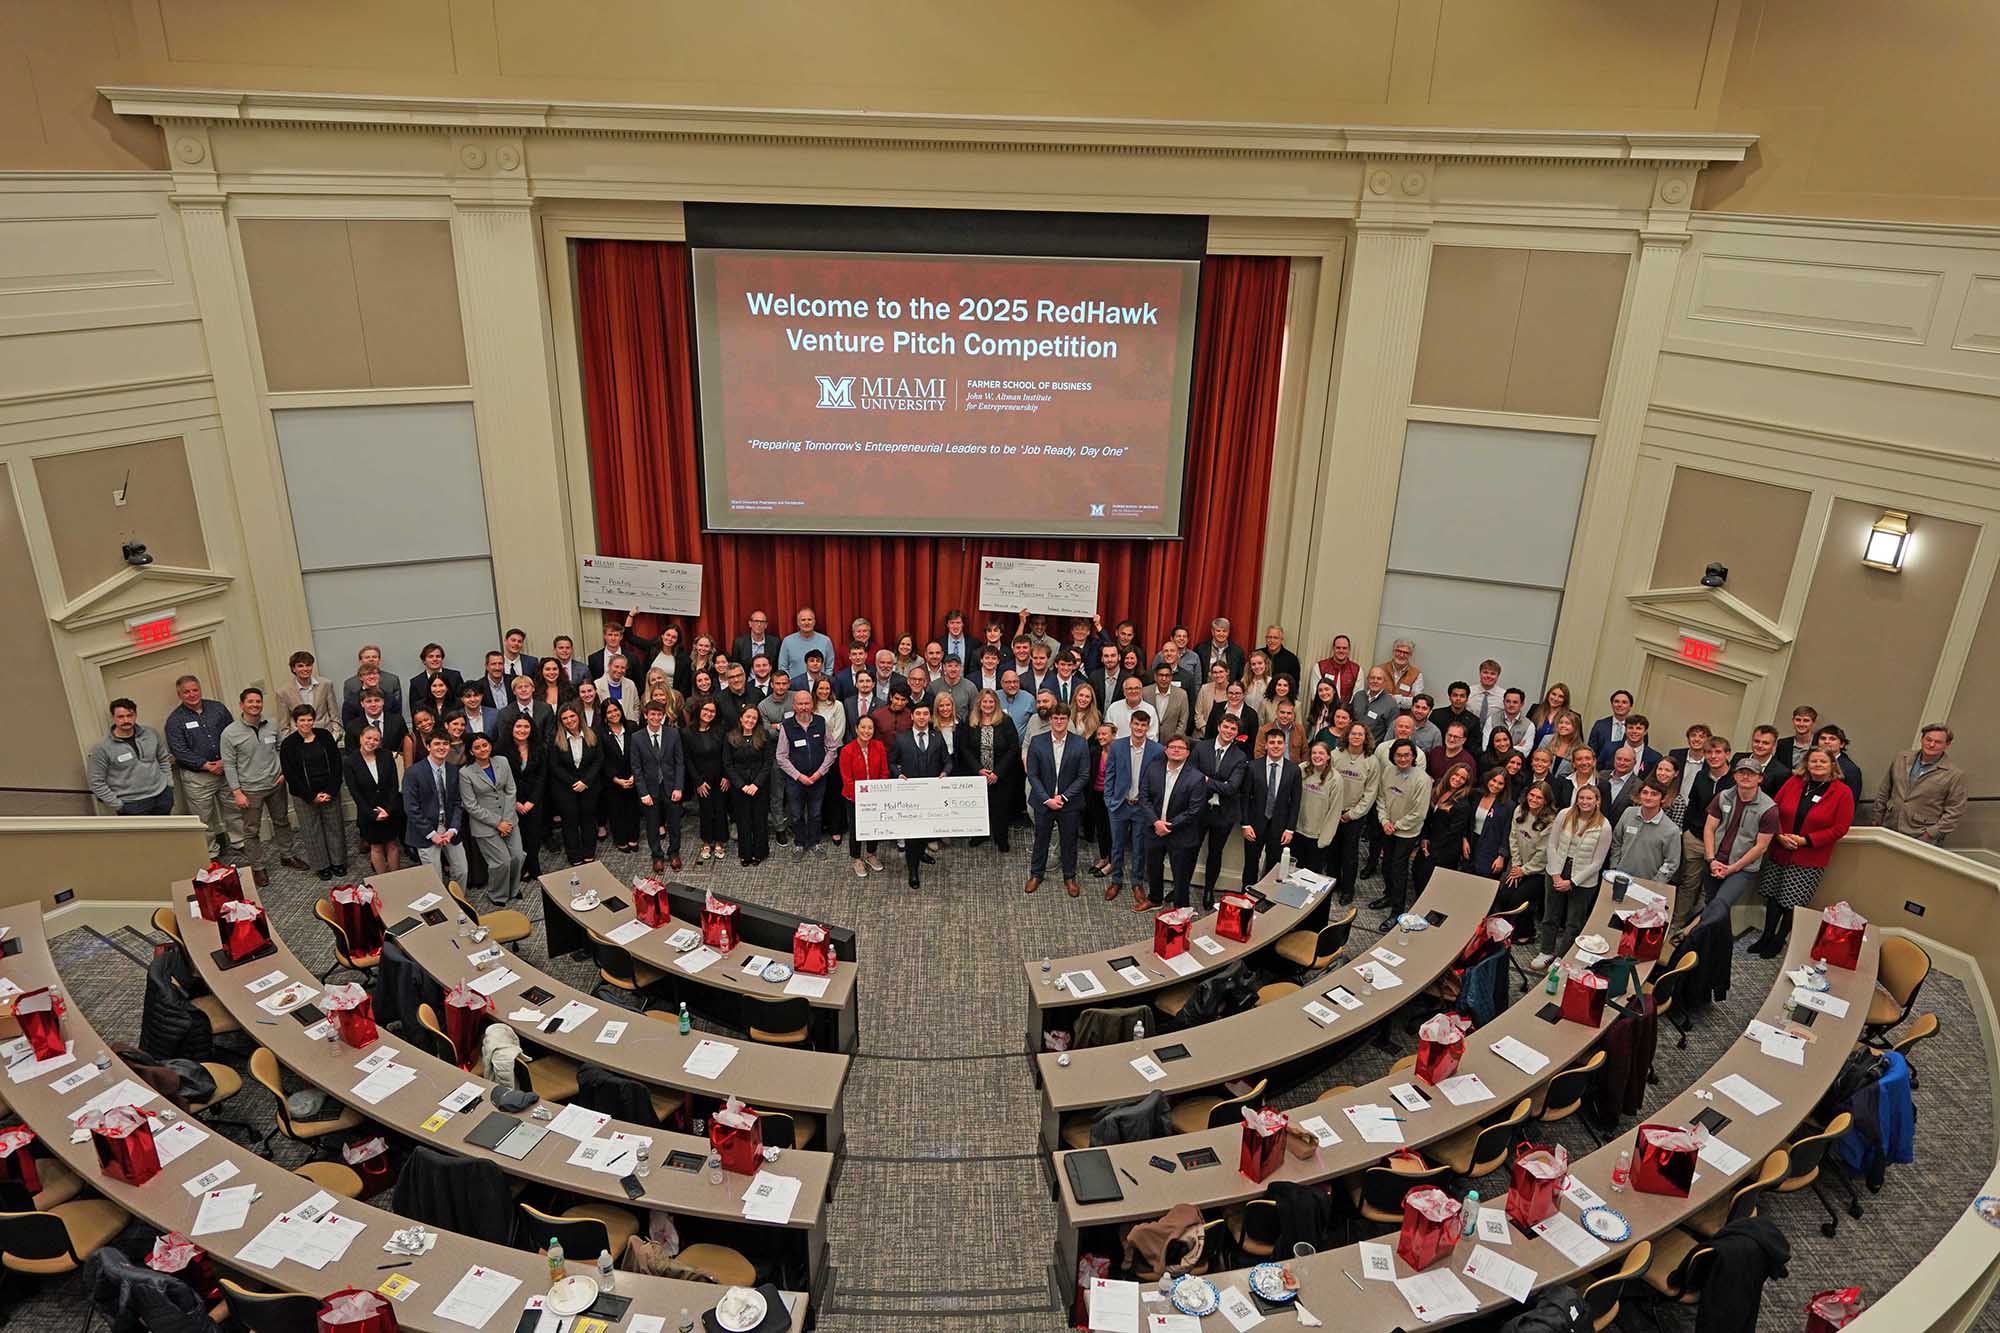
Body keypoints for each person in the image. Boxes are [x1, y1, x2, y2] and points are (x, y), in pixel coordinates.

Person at [1751, 747, 1856, 957]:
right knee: (1772, 896)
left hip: (1809, 857)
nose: (1817, 765)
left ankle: (1779, 940)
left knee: (1791, 901)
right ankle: (1767, 936)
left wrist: (1806, 840)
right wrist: (1779, 835)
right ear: (1806, 763)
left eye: (1822, 762)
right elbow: (1773, 809)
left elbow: (1840, 828)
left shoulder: (1842, 792)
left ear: (1832, 766)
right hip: (1781, 848)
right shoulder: (1794, 782)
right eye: (1813, 761)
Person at [220, 686, 300, 880]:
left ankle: (287, 855)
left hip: (275, 783)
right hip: (249, 789)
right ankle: (257, 866)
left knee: (282, 821)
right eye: (250, 702)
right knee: (251, 831)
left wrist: (283, 772)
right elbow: (229, 765)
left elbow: (282, 749)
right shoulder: (230, 733)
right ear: (242, 705)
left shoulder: (271, 724)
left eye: (258, 701)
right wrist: (237, 792)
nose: (255, 705)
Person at [1695, 758, 1780, 932]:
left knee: (1720, 903)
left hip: (1741, 868)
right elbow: (1709, 828)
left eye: (1751, 773)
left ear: (1760, 778)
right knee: (1712, 903)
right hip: (1715, 860)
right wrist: (1711, 859)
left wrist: (1732, 868)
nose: (1746, 776)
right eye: (1742, 772)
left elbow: (1761, 847)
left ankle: (1694, 935)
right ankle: (1709, 943)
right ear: (1735, 775)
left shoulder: (1769, 808)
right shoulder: (1723, 796)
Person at [165, 674, 234, 859]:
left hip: (226, 770)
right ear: (180, 695)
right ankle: (211, 852)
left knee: (234, 810)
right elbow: (179, 750)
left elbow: (232, 734)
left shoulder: (217, 708)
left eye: (195, 690)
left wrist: (224, 761)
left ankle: (240, 842)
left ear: (200, 689)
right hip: (198, 777)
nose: (192, 694)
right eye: (186, 692)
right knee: (203, 818)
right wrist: (206, 765)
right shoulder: (174, 720)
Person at [1672, 734, 1737, 929]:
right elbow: (1691, 805)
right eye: (1709, 752)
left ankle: (1695, 928)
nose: (1713, 756)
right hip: (1694, 838)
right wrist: (1686, 832)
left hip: (1719, 844)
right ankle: (1676, 923)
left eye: (1718, 752)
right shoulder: (1701, 775)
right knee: (1688, 884)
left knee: (1708, 890)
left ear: (1727, 754)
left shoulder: (1735, 780)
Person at [1025, 705, 1089, 897]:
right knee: (1041, 839)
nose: (1059, 722)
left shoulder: (1080, 743)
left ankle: (1069, 877)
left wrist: (1063, 797)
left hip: (1069, 803)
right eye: (1055, 718)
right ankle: (1036, 874)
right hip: (1043, 802)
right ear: (1050, 720)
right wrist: (1047, 799)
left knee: (1069, 841)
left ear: (1068, 720)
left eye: (1062, 718)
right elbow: (1033, 775)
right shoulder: (1037, 742)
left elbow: (1084, 775)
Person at [1139, 735, 1209, 910]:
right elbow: (1144, 797)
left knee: (1181, 875)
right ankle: (1155, 898)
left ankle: (1181, 908)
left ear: (1188, 753)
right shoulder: (1153, 769)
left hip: (1180, 834)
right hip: (1154, 829)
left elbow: (1194, 811)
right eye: (1172, 746)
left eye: (1181, 748)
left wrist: (1168, 826)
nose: (1176, 750)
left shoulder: (1196, 777)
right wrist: (1156, 822)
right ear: (1165, 750)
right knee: (1153, 868)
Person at [1102, 706, 1162, 906]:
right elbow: (1109, 775)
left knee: (1139, 847)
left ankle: (1137, 883)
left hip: (1141, 808)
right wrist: (1109, 800)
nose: (1139, 728)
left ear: (1147, 727)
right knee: (1117, 845)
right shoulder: (1117, 746)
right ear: (1130, 725)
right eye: (1136, 724)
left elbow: (1157, 782)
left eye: (1143, 725)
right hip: (1119, 805)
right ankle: (1116, 880)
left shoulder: (1156, 750)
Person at [277, 704, 345, 880]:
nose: (306, 723)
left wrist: (331, 790)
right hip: (304, 795)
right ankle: (322, 866)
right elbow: (291, 774)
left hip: (329, 790)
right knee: (311, 830)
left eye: (309, 719)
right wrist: (310, 796)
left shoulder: (325, 736)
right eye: (302, 720)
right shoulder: (288, 744)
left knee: (334, 827)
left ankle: (338, 862)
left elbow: (336, 764)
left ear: (314, 720)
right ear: (295, 722)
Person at [1875, 723, 1969, 846]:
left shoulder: (1954, 774)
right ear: (1922, 739)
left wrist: (1930, 834)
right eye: (1928, 739)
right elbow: (1885, 789)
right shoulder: (1901, 758)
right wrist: (1876, 817)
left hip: (1920, 835)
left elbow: (1955, 811)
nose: (1931, 744)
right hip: (1889, 826)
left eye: (1938, 742)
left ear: (1947, 745)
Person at [459, 733, 525, 905]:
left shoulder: (502, 761)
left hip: (509, 819)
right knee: (501, 862)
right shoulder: (465, 773)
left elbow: (511, 790)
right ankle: (498, 895)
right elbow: (470, 805)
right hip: (485, 825)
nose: (483, 749)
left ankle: (514, 889)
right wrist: (498, 823)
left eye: (485, 745)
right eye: (477, 747)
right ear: (471, 752)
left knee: (518, 856)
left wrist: (507, 820)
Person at [1192, 713, 1250, 909]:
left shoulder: (1240, 757)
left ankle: (1209, 890)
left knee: (1215, 853)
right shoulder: (1201, 747)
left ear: (1236, 733)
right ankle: (1181, 884)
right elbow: (1192, 777)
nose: (1229, 732)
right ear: (1219, 727)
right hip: (1199, 809)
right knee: (1190, 849)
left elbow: (1232, 788)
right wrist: (1219, 784)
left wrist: (1207, 781)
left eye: (1233, 729)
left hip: (1223, 814)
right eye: (1226, 727)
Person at [889, 702, 949, 888]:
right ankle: (913, 870)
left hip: (931, 793)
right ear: (912, 716)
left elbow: (947, 761)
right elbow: (891, 762)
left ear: (929, 717)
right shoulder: (901, 738)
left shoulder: (937, 737)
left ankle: (921, 852)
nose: (922, 717)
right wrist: (897, 774)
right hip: (910, 794)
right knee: (912, 833)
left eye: (925, 714)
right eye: (918, 713)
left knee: (927, 828)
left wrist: (945, 773)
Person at [1371, 739, 1431, 915]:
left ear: (1413, 756)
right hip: (1387, 827)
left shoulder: (1423, 779)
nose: (1403, 758)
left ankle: (1397, 911)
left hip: (1406, 832)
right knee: (1386, 866)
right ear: (1392, 756)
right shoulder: (1388, 771)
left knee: (1398, 870)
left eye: (1407, 755)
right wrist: (1384, 821)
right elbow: (1381, 797)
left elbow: (1418, 813)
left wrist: (1396, 826)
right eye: (1398, 755)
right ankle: (1388, 896)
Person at [776, 689, 835, 858]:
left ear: (812, 705)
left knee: (816, 813)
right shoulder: (787, 726)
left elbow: (832, 749)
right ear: (794, 706)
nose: (804, 707)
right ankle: (799, 844)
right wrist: (798, 776)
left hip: (818, 779)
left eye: (807, 703)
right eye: (800, 704)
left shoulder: (821, 722)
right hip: (795, 781)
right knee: (796, 814)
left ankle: (815, 842)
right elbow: (781, 756)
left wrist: (820, 773)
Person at [1240, 727, 1302, 887]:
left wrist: (1290, 829)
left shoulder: (1294, 770)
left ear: (1284, 745)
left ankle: (1267, 898)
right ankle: (1246, 897)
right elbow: (1245, 798)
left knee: (1274, 866)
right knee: (1250, 865)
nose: (1276, 746)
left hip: (1280, 827)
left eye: (1279, 742)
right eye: (1272, 742)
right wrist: (1245, 824)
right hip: (1254, 825)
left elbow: (1296, 802)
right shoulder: (1253, 767)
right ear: (1266, 745)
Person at [630, 699, 685, 872]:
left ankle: (674, 853)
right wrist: (643, 792)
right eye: (652, 714)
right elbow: (636, 768)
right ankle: (657, 856)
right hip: (650, 789)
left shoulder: (673, 734)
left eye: (659, 714)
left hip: (670, 786)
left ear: (663, 716)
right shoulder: (637, 738)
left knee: (675, 823)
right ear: (646, 715)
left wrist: (678, 787)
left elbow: (679, 763)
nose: (655, 717)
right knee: (653, 825)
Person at [343, 722, 406, 875]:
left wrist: (388, 809)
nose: (371, 742)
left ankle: (396, 878)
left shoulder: (386, 756)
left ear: (380, 742)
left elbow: (393, 784)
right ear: (361, 738)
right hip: (368, 812)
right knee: (376, 847)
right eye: (368, 738)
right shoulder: (350, 761)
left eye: (376, 740)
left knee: (392, 845)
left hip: (389, 809)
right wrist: (372, 813)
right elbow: (355, 793)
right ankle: (383, 880)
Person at [404, 731, 466, 882]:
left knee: (462, 871)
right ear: (427, 746)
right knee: (435, 879)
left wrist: (453, 829)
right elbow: (411, 807)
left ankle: (458, 902)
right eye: (437, 744)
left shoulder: (453, 770)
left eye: (445, 744)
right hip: (426, 830)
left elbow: (458, 803)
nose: (442, 747)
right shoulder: (413, 772)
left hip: (449, 827)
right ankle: (442, 906)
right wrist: (432, 834)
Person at [1329, 723, 1378, 903]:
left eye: (1360, 734)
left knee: (1349, 854)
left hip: (1354, 815)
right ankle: (1333, 883)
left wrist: (1353, 814)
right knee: (1332, 851)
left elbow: (1370, 793)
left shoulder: (1371, 761)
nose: (1356, 737)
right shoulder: (1335, 756)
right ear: (1347, 735)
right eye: (1353, 734)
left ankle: (1348, 890)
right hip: (1333, 812)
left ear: (1366, 738)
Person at [548, 704, 602, 866]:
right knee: (569, 822)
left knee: (588, 819)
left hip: (589, 785)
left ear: (579, 716)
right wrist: (573, 782)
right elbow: (554, 766)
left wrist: (585, 781)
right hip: (565, 788)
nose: (569, 720)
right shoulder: (555, 738)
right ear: (560, 721)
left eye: (572, 716)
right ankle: (574, 855)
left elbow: (599, 760)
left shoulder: (592, 734)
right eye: (565, 718)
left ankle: (588, 852)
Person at [834, 712, 887, 876]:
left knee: (874, 826)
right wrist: (861, 799)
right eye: (863, 727)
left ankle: (871, 854)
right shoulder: (847, 750)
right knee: (856, 829)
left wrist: (878, 793)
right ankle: (856, 858)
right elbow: (847, 779)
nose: (866, 731)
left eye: (870, 728)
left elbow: (884, 772)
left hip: (876, 796)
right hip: (853, 798)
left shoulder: (879, 746)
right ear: (856, 729)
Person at [722, 704, 772, 866]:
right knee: (743, 821)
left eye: (754, 718)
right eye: (747, 717)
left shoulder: (763, 736)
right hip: (740, 787)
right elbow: (728, 764)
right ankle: (745, 854)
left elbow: (768, 763)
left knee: (759, 820)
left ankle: (760, 852)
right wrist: (742, 785)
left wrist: (756, 784)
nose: (750, 720)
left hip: (760, 786)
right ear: (741, 718)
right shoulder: (730, 737)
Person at [1412, 763, 1473, 892]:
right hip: (1429, 842)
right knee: (1417, 873)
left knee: (1429, 881)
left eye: (1462, 778)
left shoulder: (1462, 804)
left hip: (1444, 850)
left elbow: (1453, 832)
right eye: (1456, 774)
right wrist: (1424, 839)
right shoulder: (1439, 790)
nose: (1457, 779)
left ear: (1466, 782)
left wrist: (1432, 849)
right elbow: (1428, 818)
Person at [500, 716, 546, 882]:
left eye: (526, 726)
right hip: (512, 801)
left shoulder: (539, 748)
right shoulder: (501, 750)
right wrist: (516, 802)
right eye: (518, 726)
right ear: (511, 728)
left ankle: (534, 867)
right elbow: (501, 781)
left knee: (534, 835)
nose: (522, 730)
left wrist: (532, 801)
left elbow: (542, 776)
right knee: (517, 838)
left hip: (534, 800)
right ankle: (522, 869)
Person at [683, 697, 729, 863]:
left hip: (720, 778)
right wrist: (698, 782)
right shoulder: (687, 732)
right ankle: (706, 842)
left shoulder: (720, 730)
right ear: (699, 711)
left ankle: (719, 842)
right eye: (706, 710)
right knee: (705, 811)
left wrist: (726, 776)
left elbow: (726, 755)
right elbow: (687, 759)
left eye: (712, 711)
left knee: (720, 810)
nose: (709, 714)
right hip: (701, 780)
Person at [1609, 779, 1681, 884]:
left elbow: (1671, 863)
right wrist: (1614, 868)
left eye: (1654, 794)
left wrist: (1654, 884)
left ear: (1663, 799)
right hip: (1619, 877)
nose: (1648, 797)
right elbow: (1617, 841)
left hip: (1648, 883)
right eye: (1645, 793)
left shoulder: (1671, 830)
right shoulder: (1628, 813)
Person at [1504, 783, 1557, 925]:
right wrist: (1516, 865)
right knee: (1504, 895)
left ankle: (1525, 933)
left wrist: (1524, 870)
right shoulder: (1519, 810)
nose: (1534, 799)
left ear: (1546, 801)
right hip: (1519, 865)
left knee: (1519, 899)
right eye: (1531, 795)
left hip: (1538, 871)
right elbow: (1513, 838)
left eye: (1539, 797)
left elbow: (1543, 853)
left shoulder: (1551, 822)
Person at [595, 698, 641, 853]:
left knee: (633, 809)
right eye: (609, 712)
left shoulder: (632, 727)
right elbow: (601, 758)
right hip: (612, 780)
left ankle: (633, 837)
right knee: (616, 811)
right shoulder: (599, 732)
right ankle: (621, 839)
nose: (614, 714)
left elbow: (639, 752)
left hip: (633, 776)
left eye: (616, 710)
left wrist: (635, 775)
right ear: (604, 715)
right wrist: (616, 779)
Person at [1293, 741, 1343, 876]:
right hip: (1297, 831)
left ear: (1328, 756)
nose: (1317, 756)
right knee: (1294, 873)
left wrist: (1324, 840)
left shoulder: (1335, 779)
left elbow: (1334, 812)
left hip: (1317, 837)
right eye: (1314, 753)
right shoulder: (1301, 769)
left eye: (1321, 753)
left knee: (1311, 876)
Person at [275, 651, 341, 742]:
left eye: (308, 665)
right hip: (299, 738)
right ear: (293, 669)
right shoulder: (283, 692)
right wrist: (290, 742)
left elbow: (334, 714)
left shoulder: (325, 684)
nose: (305, 669)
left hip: (325, 734)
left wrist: (334, 735)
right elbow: (283, 724)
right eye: (300, 666)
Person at [813, 676, 849, 843]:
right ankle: (819, 827)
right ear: (815, 690)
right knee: (818, 793)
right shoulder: (810, 706)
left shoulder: (838, 706)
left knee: (834, 792)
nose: (824, 692)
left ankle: (836, 828)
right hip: (815, 755)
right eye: (821, 688)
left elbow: (839, 732)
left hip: (834, 755)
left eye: (827, 689)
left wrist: (827, 750)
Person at [1468, 766, 1514, 885]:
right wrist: (1464, 839)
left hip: (1490, 850)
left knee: (1482, 885)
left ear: (1505, 786)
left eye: (1500, 783)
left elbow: (1507, 832)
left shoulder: (1508, 806)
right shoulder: (1475, 795)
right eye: (1493, 780)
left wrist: (1501, 856)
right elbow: (1467, 821)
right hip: (1471, 844)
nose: (1495, 785)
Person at [406, 644, 464, 723]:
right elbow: (415, 713)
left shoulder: (455, 676)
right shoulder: (416, 682)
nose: (435, 659)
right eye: (430, 656)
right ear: (424, 660)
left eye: (438, 656)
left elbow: (462, 703)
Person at [341, 645, 402, 718]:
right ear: (360, 661)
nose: (371, 659)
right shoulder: (350, 684)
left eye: (374, 657)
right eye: (367, 657)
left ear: (379, 660)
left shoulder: (392, 680)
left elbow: (397, 710)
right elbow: (349, 711)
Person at [778, 608, 837, 682]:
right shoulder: (787, 641)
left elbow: (829, 666)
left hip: (820, 689)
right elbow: (782, 667)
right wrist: (791, 683)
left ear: (814, 622)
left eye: (809, 619)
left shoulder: (825, 641)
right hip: (795, 689)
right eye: (803, 620)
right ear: (798, 623)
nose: (806, 623)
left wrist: (824, 682)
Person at [1811, 724, 1865, 804]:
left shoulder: (1851, 770)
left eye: (1832, 739)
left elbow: (1851, 802)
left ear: (1842, 744)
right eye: (1823, 738)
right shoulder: (1810, 763)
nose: (1826, 742)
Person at [1731, 725, 1788, 796]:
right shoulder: (1738, 758)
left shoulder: (1781, 772)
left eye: (1765, 743)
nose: (1760, 745)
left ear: (1773, 745)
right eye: (1757, 741)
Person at [1349, 666, 1399, 743]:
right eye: (1372, 678)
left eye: (1379, 679)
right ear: (1367, 680)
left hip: (1373, 749)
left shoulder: (1391, 704)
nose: (1375, 681)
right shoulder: (1358, 696)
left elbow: (1391, 733)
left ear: (1384, 682)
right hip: (1353, 744)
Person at [1586, 690, 1636, 766]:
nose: (1620, 705)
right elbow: (1591, 751)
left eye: (1624, 702)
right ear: (1612, 705)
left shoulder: (1637, 730)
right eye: (1616, 701)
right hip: (1600, 771)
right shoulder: (1600, 725)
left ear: (1630, 706)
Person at [1772, 704, 1819, 777]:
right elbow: (1776, 767)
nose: (1801, 724)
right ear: (1793, 721)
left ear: (1813, 723)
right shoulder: (1783, 744)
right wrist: (1791, 772)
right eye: (1798, 720)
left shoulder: (1820, 744)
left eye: (1806, 721)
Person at [1314, 634, 1360, 702]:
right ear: (1333, 648)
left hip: (1345, 710)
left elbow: (1357, 697)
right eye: (1338, 648)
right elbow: (1316, 693)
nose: (1341, 650)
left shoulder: (1357, 670)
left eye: (1344, 648)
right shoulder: (1319, 667)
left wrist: (1344, 710)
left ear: (1349, 650)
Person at [1261, 625, 1302, 690]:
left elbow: (1294, 685)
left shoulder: (1292, 659)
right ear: (1266, 639)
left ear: (1282, 640)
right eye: (1269, 637)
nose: (1272, 641)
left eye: (1275, 638)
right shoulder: (1258, 654)